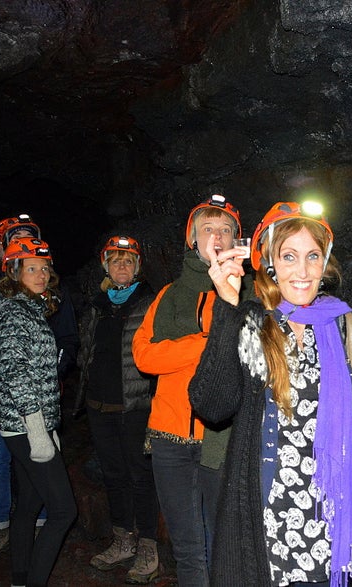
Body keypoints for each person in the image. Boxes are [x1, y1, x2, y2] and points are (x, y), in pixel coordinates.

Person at [189, 201, 352, 586]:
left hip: (330, 508)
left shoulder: (344, 324)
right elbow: (212, 405)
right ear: (270, 262)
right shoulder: (251, 321)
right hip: (268, 506)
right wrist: (226, 307)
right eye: (289, 256)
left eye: (313, 256)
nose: (303, 270)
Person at [132, 195, 249, 586]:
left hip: (224, 437)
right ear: (192, 239)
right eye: (207, 229)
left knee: (224, 544)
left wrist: (186, 348)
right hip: (169, 438)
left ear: (237, 239)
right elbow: (144, 356)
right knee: (187, 549)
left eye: (225, 230)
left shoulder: (246, 296)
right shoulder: (167, 296)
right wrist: (207, 341)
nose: (216, 237)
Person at [0, 214, 78, 562]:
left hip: (35, 394)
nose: (38, 273)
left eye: (28, 234)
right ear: (3, 245)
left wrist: (52, 371)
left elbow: (66, 338)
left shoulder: (49, 292)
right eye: (14, 235)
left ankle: (33, 527)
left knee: (28, 470)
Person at [0, 237, 77, 586]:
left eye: (44, 268)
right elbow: (14, 373)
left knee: (28, 505)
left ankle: (20, 578)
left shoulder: (29, 308)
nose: (41, 275)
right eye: (31, 269)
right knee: (63, 510)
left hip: (27, 425)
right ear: (14, 272)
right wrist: (39, 430)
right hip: (25, 428)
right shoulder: (13, 312)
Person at [77, 235, 159, 583]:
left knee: (139, 474)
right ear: (106, 267)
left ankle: (148, 547)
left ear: (137, 267)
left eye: (128, 261)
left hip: (135, 404)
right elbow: (87, 350)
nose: (122, 266)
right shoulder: (96, 304)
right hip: (100, 403)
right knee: (113, 474)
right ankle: (123, 539)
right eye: (115, 261)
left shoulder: (149, 301)